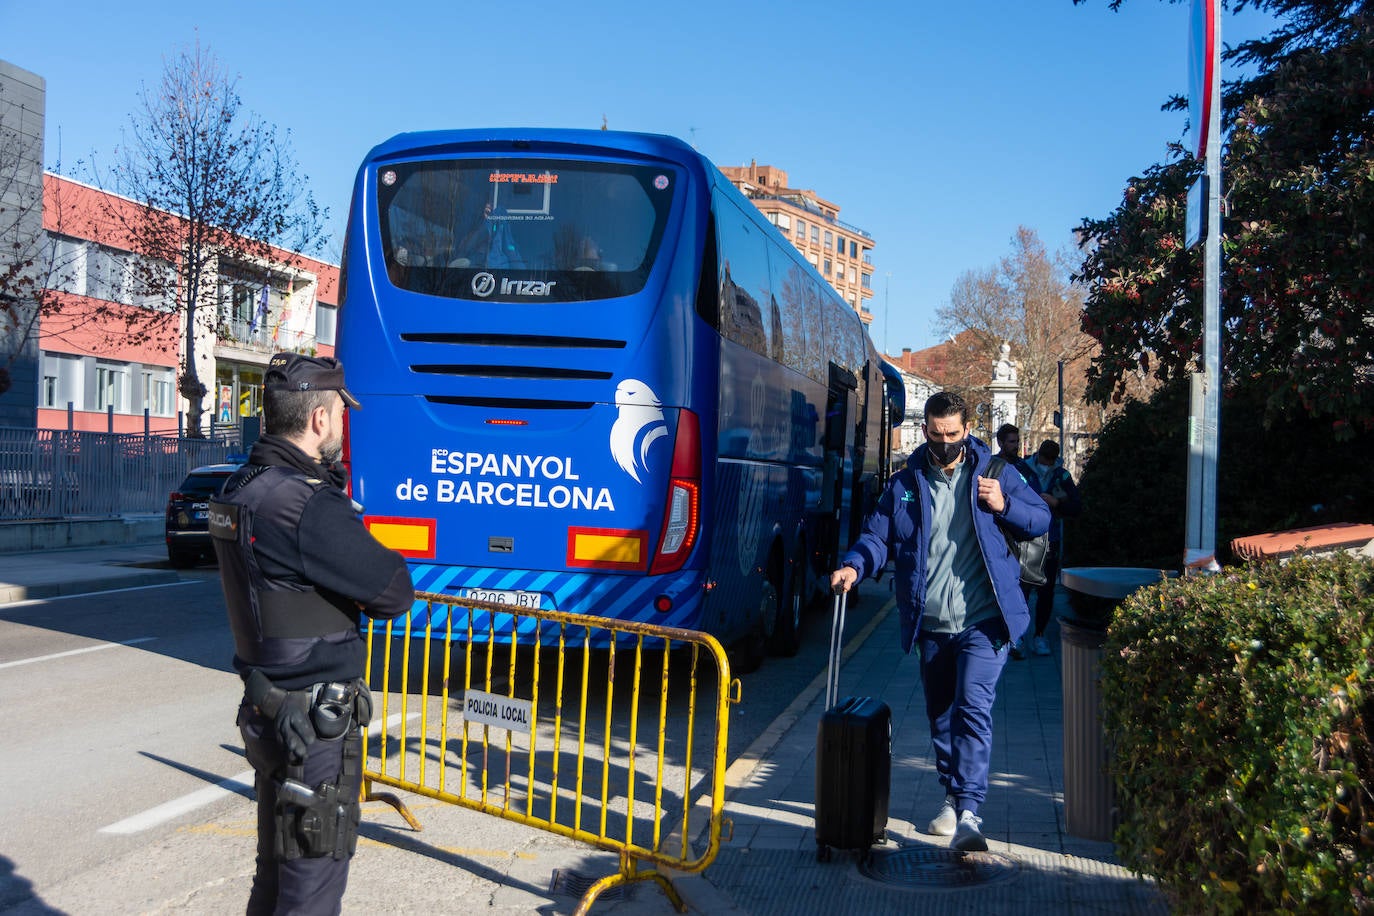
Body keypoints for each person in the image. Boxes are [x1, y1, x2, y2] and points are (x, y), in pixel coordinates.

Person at [210, 353, 415, 916]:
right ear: (320, 420)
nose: (344, 426)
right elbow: (393, 590)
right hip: (315, 728)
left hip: (269, 706)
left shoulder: (239, 487)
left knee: (274, 879)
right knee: (311, 891)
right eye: (340, 415)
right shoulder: (305, 503)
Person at [829, 391, 1049, 852]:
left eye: (952, 434)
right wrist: (854, 566)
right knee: (942, 714)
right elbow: (877, 535)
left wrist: (1003, 506)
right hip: (931, 622)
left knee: (973, 706)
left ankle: (970, 810)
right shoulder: (906, 483)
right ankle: (952, 796)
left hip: (985, 620)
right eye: (935, 433)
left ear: (967, 430)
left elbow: (1040, 518)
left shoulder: (996, 474)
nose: (944, 441)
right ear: (925, 429)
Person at [1023, 439, 1082, 657]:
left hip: (1051, 539)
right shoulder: (1023, 470)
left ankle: (1039, 634)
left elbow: (1076, 506)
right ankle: (1018, 636)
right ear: (1038, 455)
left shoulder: (1062, 476)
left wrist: (1057, 504)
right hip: (1025, 538)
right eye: (1044, 460)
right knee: (1022, 589)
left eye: (1050, 461)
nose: (1046, 464)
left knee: (1046, 592)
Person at [993, 423, 1040, 660]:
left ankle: (1017, 635)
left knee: (1024, 588)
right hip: (1001, 537)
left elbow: (1036, 501)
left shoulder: (1025, 469)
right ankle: (1006, 635)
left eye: (1016, 441)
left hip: (1024, 538)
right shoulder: (992, 467)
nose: (1015, 445)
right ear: (1001, 442)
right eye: (1011, 441)